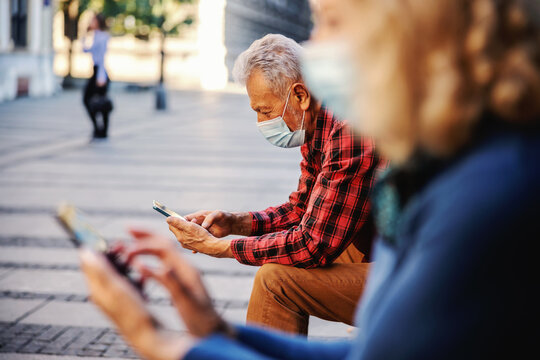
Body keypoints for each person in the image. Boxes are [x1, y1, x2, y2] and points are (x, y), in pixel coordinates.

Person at [79, 0, 540, 358]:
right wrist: (218, 326)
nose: (315, 47)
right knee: (277, 274)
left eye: (333, 24)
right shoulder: (447, 163)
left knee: (278, 275)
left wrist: (158, 339)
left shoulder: (485, 189)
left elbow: (315, 241)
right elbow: (304, 209)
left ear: (413, 36)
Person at [165, 33, 383, 334]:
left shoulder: (349, 128)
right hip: (386, 251)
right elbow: (301, 210)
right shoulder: (317, 123)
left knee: (275, 282)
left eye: (264, 111)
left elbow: (313, 244)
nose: (261, 123)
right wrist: (236, 222)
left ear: (300, 95)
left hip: (422, 278)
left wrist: (223, 248)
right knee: (283, 261)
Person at [82, 13, 112, 140]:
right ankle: (98, 129)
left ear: (98, 22)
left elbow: (102, 58)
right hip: (96, 71)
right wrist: (84, 34)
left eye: (93, 20)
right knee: (92, 100)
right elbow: (85, 50)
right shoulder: (94, 36)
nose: (90, 22)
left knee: (100, 101)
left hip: (101, 72)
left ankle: (102, 130)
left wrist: (101, 77)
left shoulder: (103, 37)